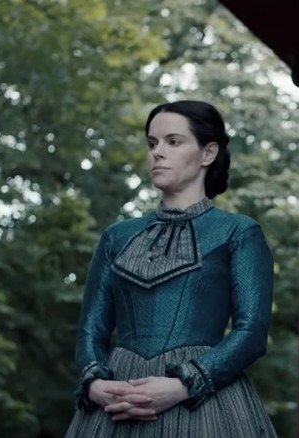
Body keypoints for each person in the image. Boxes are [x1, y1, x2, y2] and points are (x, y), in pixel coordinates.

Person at [64, 100, 277, 437]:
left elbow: (251, 333)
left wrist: (182, 385)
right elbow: (91, 329)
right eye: (152, 143)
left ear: (208, 154)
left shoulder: (238, 232)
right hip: (115, 403)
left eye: (173, 142)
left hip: (207, 407)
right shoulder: (115, 237)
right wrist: (94, 384)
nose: (157, 153)